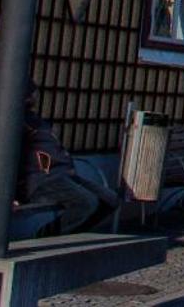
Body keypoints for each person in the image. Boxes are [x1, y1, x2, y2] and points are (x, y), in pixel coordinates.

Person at [21, 97, 117, 235]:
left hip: (63, 174)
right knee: (87, 203)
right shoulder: (19, 122)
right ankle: (48, 234)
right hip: (42, 178)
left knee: (110, 199)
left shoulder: (35, 120)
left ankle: (74, 232)